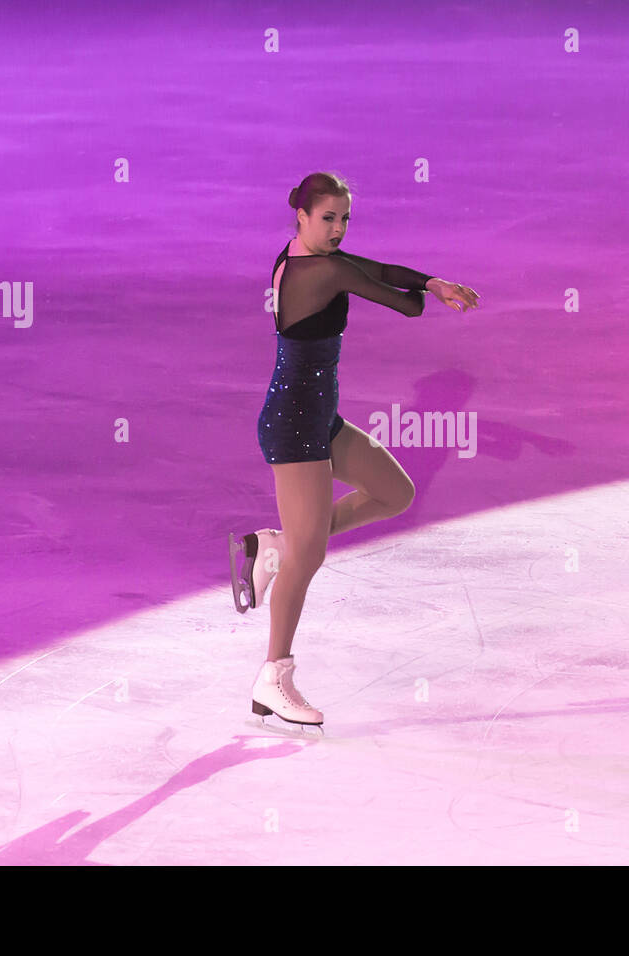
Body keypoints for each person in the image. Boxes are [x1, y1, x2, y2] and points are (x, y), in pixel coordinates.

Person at [228, 171, 480, 732]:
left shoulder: (308, 257)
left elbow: (377, 270)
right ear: (301, 215)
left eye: (345, 219)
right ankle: (274, 676)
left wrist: (433, 280)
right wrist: (426, 294)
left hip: (321, 420)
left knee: (395, 492)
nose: (338, 228)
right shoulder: (321, 270)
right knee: (309, 558)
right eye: (328, 218)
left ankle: (272, 546)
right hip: (295, 431)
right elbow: (400, 302)